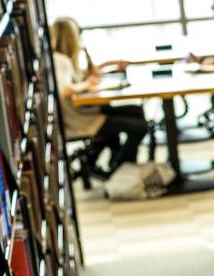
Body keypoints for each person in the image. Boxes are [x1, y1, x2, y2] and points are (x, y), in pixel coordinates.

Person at [49, 18, 151, 178]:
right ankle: (121, 168)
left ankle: (116, 161)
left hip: (85, 112)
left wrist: (107, 65)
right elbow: (64, 90)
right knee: (140, 126)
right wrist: (87, 84)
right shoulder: (60, 61)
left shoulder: (64, 60)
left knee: (136, 111)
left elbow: (82, 77)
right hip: (79, 120)